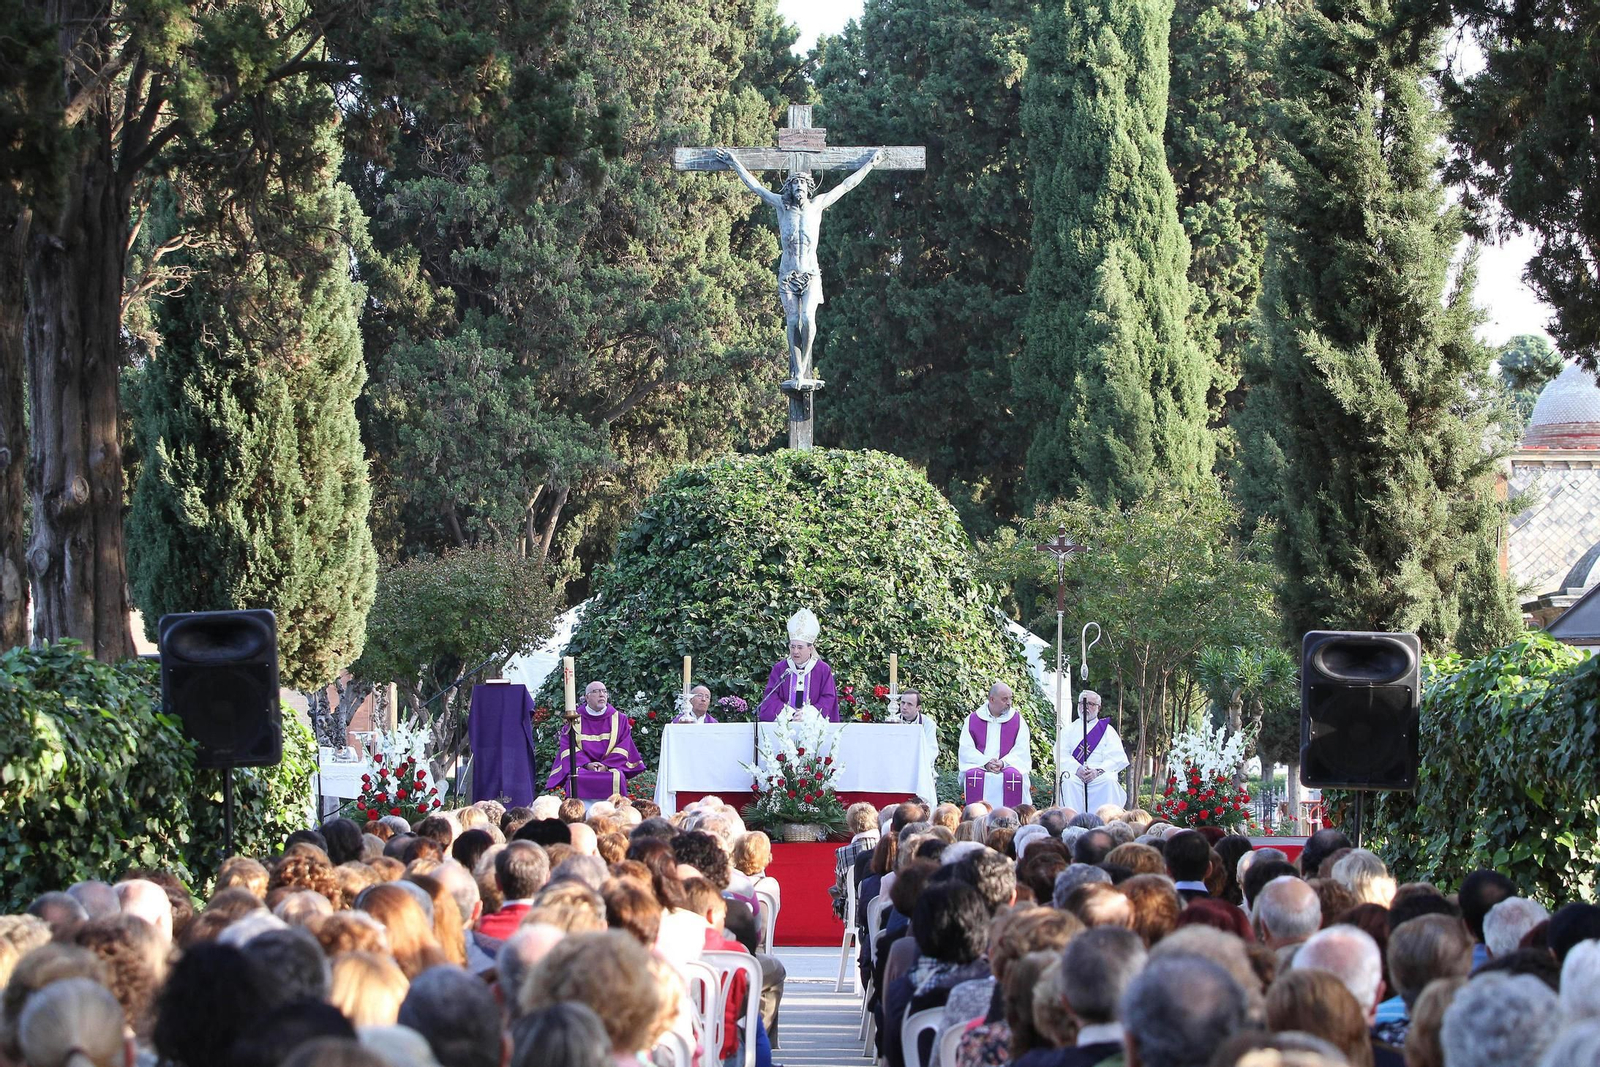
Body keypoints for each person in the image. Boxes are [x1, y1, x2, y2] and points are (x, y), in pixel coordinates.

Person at [715, 147, 885, 383]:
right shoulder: (781, 207)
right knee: (793, 321)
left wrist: (870, 164)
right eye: (794, 186)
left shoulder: (818, 205)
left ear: (809, 188)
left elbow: (846, 185)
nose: (799, 190)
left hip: (810, 273)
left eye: (802, 186)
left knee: (807, 319)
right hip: (787, 274)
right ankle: (797, 368)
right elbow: (755, 186)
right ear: (789, 189)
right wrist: (735, 164)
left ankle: (803, 366)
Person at [542, 682, 646, 801]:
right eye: (596, 691)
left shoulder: (619, 719)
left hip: (610, 767)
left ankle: (615, 817)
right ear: (587, 697)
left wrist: (606, 765)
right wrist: (587, 764)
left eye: (604, 691)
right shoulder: (574, 719)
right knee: (575, 777)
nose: (602, 695)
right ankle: (577, 814)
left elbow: (624, 746)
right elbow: (567, 746)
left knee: (618, 776)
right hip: (583, 768)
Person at [756, 609, 840, 721]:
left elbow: (828, 699)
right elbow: (771, 698)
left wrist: (807, 715)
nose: (795, 651)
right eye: (792, 646)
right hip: (785, 727)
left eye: (800, 647)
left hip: (812, 728)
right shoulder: (780, 668)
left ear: (810, 649)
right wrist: (790, 714)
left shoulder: (823, 670)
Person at [959, 682, 1031, 808]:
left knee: (1014, 777)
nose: (1009, 702)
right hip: (980, 766)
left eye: (1010, 698)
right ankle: (976, 822)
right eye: (1005, 699)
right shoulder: (973, 720)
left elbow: (1022, 749)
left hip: (1008, 765)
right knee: (973, 776)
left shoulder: (1018, 720)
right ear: (992, 699)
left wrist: (1003, 763)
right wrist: (985, 762)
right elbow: (966, 748)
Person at [1057, 691, 1128, 811]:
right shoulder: (1068, 730)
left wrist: (1097, 771)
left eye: (1090, 704)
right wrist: (1077, 769)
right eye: (1082, 703)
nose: (1085, 707)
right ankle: (1073, 821)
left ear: (1098, 707)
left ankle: (1105, 823)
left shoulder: (1107, 731)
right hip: (1076, 773)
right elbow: (1061, 754)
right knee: (1068, 781)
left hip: (1099, 774)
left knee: (1109, 781)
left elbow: (1116, 757)